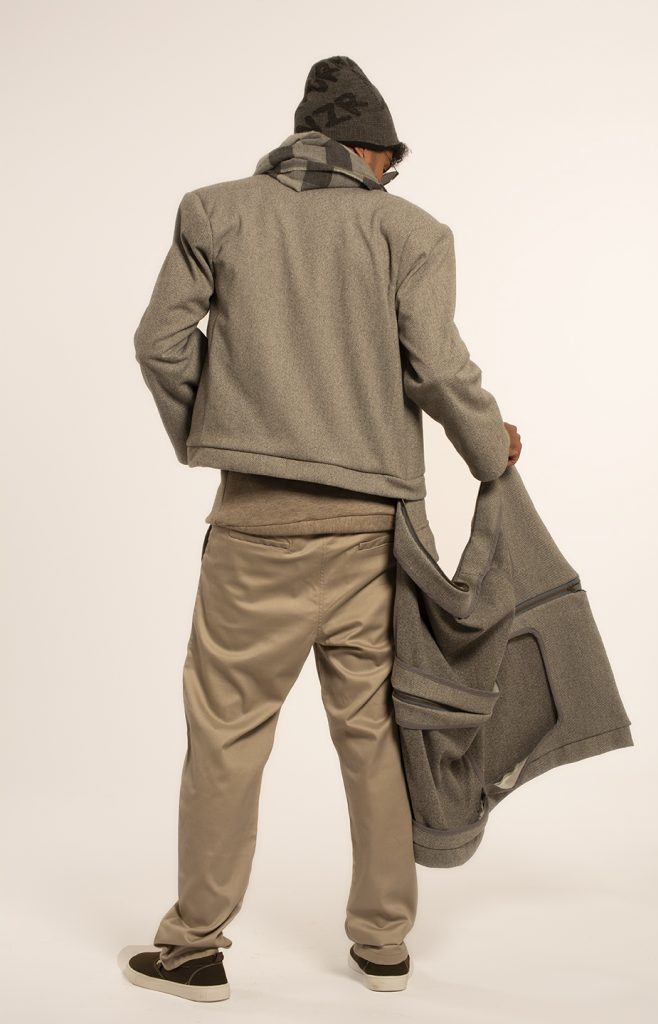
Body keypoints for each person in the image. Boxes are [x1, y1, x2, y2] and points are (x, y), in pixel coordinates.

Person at [123, 54, 522, 1002]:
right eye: (392, 162)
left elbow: (159, 344)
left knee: (226, 736)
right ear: (372, 153)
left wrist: (213, 429)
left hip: (252, 533)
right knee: (375, 732)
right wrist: (488, 450)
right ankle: (382, 943)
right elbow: (437, 367)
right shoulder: (410, 231)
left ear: (300, 142)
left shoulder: (215, 211)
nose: (392, 176)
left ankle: (193, 947)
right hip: (372, 538)